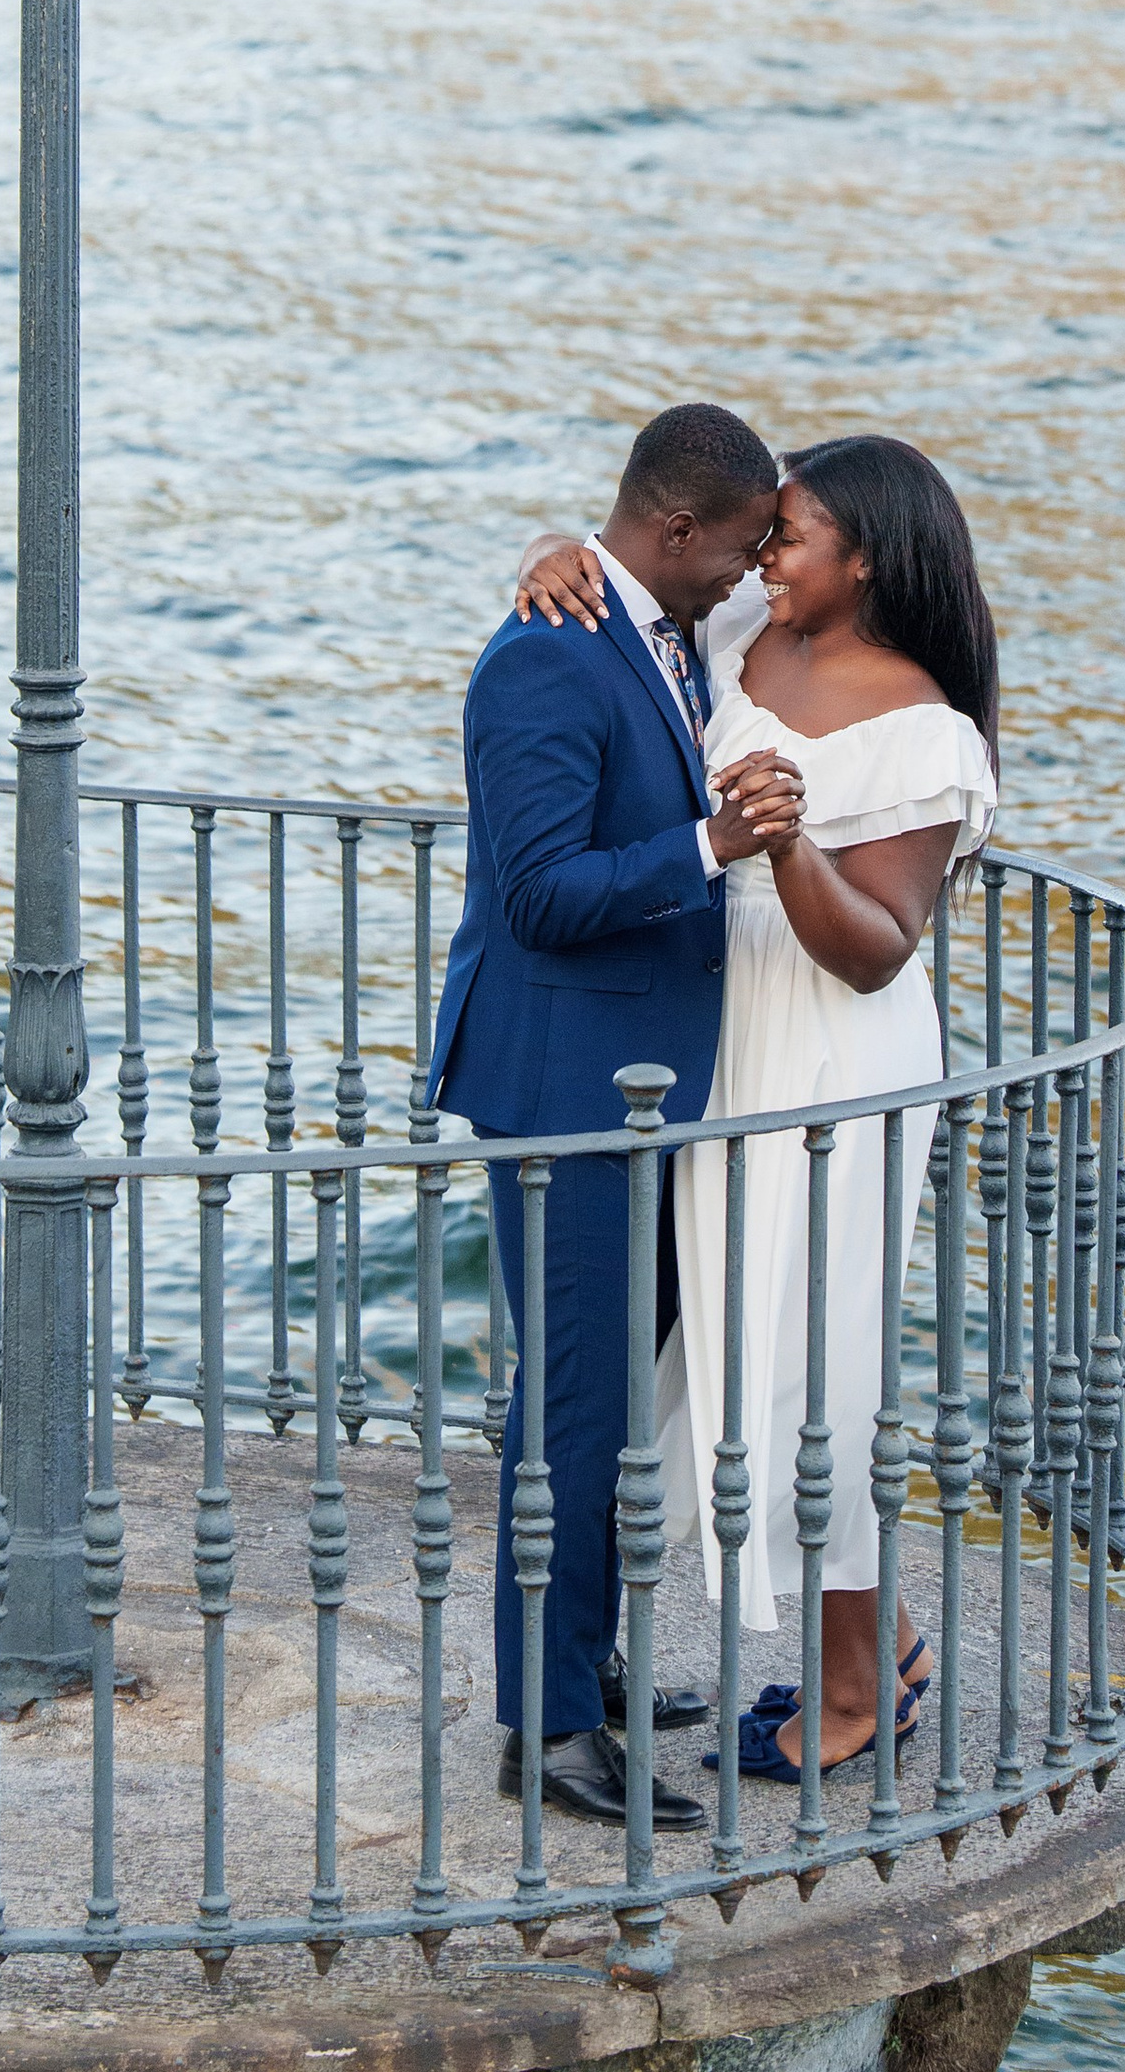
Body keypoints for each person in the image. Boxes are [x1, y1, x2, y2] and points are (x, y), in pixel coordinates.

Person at [515, 435, 998, 1785]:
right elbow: (640, 597)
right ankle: (880, 1641)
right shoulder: (747, 631)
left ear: (869, 561)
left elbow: (878, 948)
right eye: (765, 534)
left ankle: (857, 1687)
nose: (763, 557)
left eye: (790, 537)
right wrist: (555, 558)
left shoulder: (927, 732)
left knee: (813, 1359)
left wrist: (786, 847)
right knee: (737, 1348)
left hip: (833, 1056)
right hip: (724, 1037)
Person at [429, 400, 802, 1828]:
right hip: (565, 1089)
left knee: (603, 1403)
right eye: (744, 545)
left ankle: (580, 1662)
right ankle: (545, 1729)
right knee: (574, 1409)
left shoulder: (665, 625)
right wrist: (712, 843)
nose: (755, 569)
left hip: (640, 1086)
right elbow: (536, 895)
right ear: (678, 528)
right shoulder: (545, 654)